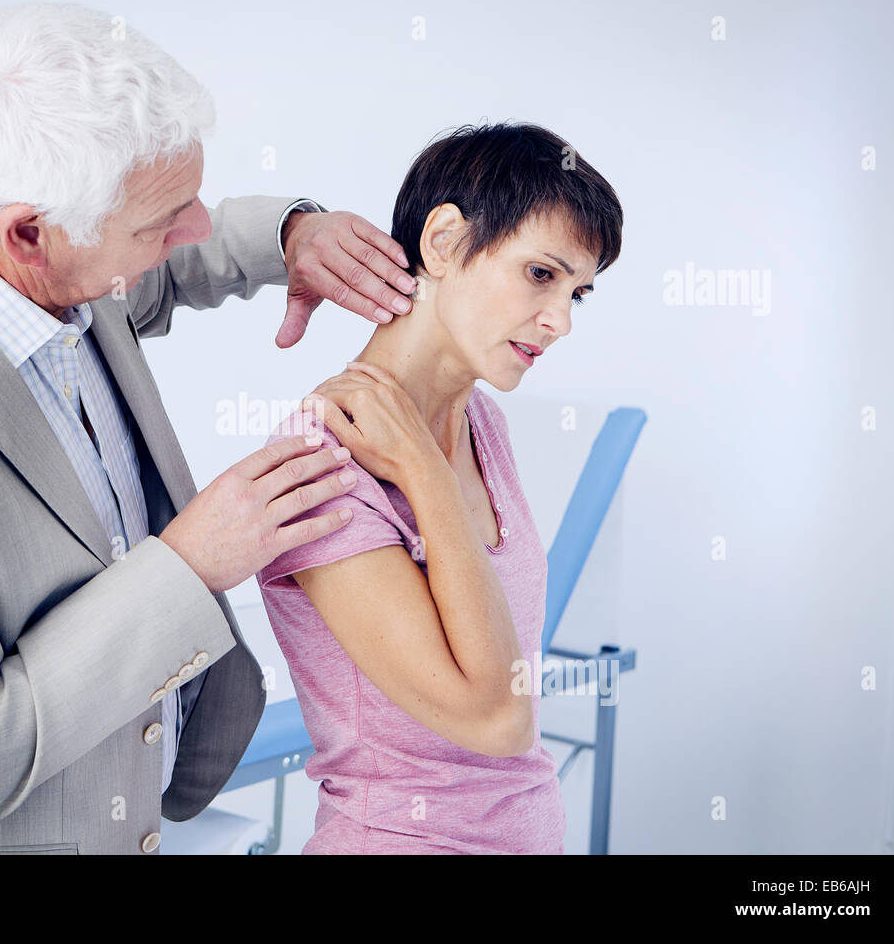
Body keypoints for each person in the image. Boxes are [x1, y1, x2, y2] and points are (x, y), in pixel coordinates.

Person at [0, 2, 418, 855]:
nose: (189, 229)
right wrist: (187, 567)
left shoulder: (54, 264)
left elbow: (167, 266)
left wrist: (288, 235)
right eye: (160, 221)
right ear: (30, 235)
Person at [255, 121, 624, 854]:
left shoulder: (483, 420)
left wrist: (427, 465)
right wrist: (423, 472)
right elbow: (497, 719)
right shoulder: (321, 457)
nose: (560, 321)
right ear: (444, 242)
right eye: (541, 274)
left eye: (578, 292)